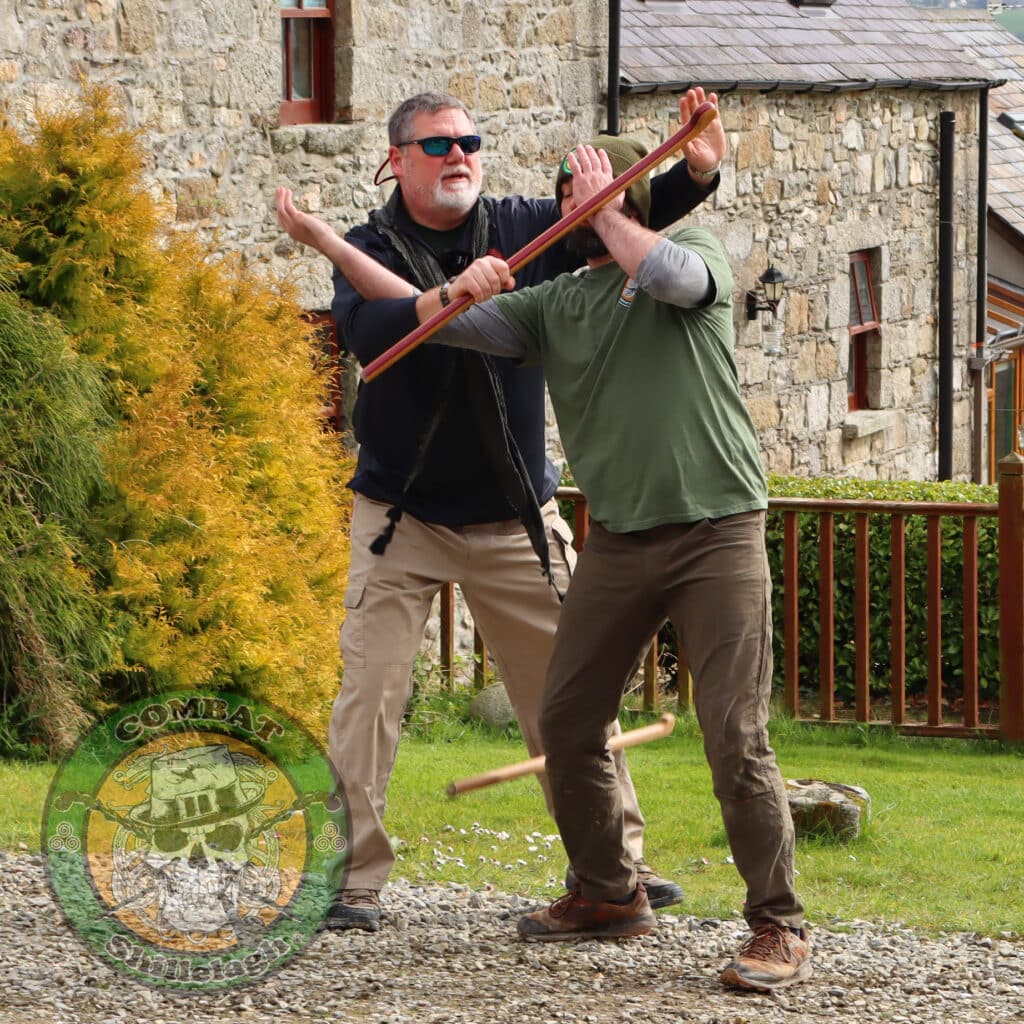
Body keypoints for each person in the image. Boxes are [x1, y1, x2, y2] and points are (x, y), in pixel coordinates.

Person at [276, 88, 726, 933]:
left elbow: (623, 216)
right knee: (367, 695)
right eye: (438, 145)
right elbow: (376, 335)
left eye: (470, 142)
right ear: (395, 159)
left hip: (515, 515)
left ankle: (615, 865)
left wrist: (698, 175)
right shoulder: (368, 248)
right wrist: (449, 294)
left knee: (571, 697)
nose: (459, 157)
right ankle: (349, 878)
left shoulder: (526, 225)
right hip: (399, 518)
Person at [414, 135, 811, 992]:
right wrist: (454, 288)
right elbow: (436, 324)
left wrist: (610, 211)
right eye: (563, 194)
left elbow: (673, 279)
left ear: (632, 192)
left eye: (588, 188)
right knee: (567, 719)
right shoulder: (557, 301)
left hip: (717, 532)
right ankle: (607, 892)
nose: (571, 204)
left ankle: (777, 925)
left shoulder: (693, 251)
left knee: (735, 735)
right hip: (622, 539)